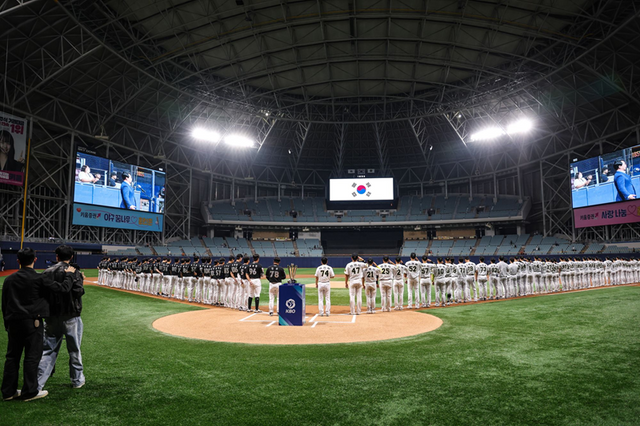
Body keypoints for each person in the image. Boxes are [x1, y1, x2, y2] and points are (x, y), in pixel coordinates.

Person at [1, 247, 76, 402]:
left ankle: (8, 392)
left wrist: (6, 323)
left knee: (12, 357)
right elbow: (63, 288)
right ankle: (30, 391)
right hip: (32, 322)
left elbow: (4, 304)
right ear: (35, 260)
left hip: (13, 322)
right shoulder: (39, 278)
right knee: (32, 357)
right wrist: (69, 274)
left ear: (18, 261)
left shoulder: (9, 279)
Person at [36, 245, 85, 391]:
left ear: (57, 256)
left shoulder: (47, 272)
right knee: (74, 350)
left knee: (48, 351)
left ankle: (38, 384)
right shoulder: (74, 272)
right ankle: (77, 380)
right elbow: (78, 292)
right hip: (71, 316)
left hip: (52, 317)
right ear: (71, 257)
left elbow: (42, 294)